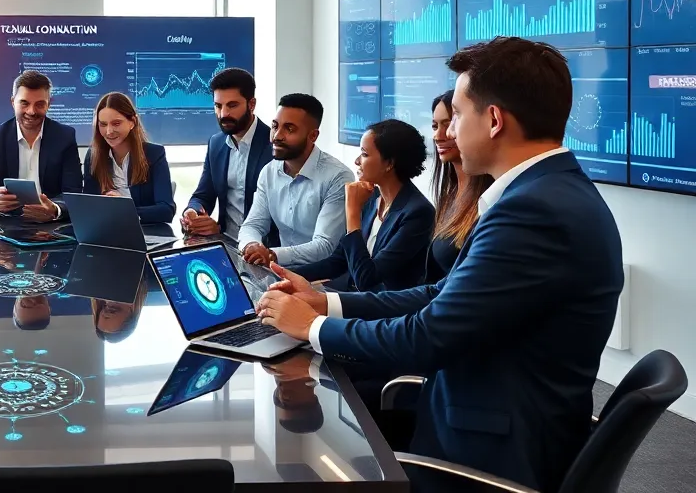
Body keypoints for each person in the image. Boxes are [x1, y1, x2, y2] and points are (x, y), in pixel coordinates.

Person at [254, 37, 624, 493]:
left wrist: (310, 328)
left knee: (308, 466)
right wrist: (327, 302)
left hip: (486, 452)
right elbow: (442, 294)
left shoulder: (534, 212)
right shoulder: (544, 196)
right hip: (485, 417)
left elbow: (428, 335)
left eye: (458, 116)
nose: (446, 134)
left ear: (492, 120)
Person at [294, 120, 435, 291]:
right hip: (355, 297)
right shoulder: (372, 198)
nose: (356, 161)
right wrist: (284, 274)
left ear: (389, 163)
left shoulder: (418, 213)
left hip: (386, 309)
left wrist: (352, 212)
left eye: (364, 154)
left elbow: (366, 278)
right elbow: (339, 261)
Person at [238, 94, 353, 268]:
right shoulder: (269, 172)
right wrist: (251, 246)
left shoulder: (338, 176)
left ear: (313, 136)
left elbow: (324, 246)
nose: (277, 136)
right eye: (275, 126)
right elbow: (253, 224)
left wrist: (271, 254)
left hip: (324, 279)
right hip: (280, 271)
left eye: (289, 129)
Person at [0, 70, 83, 221]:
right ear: (13, 102)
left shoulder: (65, 137)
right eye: (24, 103)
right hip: (7, 224)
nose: (31, 111)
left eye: (40, 104)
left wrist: (55, 209)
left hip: (51, 226)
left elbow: (74, 193)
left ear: (49, 104)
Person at [182, 68, 274, 240]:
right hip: (225, 242)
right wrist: (192, 212)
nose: (223, 114)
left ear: (251, 104)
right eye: (218, 106)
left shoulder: (274, 146)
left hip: (264, 250)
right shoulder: (216, 144)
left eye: (232, 105)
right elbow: (203, 195)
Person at [426, 90, 494, 283]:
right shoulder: (449, 193)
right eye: (434, 126)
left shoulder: (489, 200)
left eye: (448, 124)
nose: (440, 135)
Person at [81, 92, 175, 223]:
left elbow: (166, 211)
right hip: (106, 231)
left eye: (116, 123)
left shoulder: (154, 154)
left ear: (132, 122)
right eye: (103, 124)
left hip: (145, 232)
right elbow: (87, 206)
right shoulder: (93, 156)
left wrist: (126, 208)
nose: (109, 131)